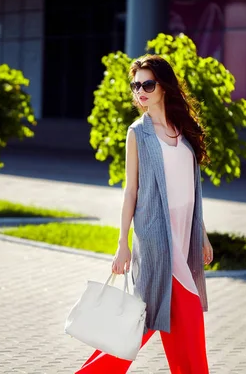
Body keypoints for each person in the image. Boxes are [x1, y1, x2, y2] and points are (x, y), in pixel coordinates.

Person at [76, 55, 213, 374]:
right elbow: (131, 191)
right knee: (171, 317)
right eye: (136, 85)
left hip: (183, 237)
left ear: (164, 87)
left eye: (147, 84)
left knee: (155, 323)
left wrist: (201, 233)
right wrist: (122, 243)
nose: (140, 91)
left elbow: (190, 188)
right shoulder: (138, 133)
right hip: (155, 240)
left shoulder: (181, 129)